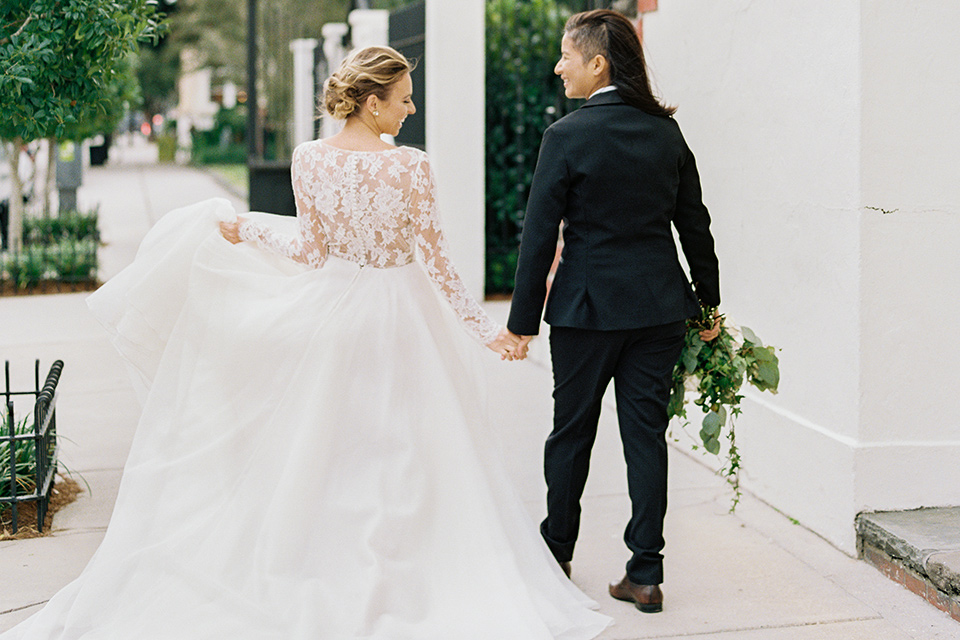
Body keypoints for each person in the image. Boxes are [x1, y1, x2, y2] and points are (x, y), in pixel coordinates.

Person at [1, 47, 610, 639]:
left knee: (333, 454)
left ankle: (328, 565)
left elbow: (311, 252)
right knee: (408, 451)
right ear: (372, 103)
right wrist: (490, 333)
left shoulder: (308, 158)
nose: (411, 109)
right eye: (403, 99)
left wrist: (249, 229)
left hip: (336, 317)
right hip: (403, 319)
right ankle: (405, 573)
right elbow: (439, 263)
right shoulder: (410, 165)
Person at [507, 10, 722, 614]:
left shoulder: (567, 136)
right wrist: (709, 305)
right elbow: (695, 226)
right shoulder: (667, 134)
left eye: (565, 56)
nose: (558, 66)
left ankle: (556, 555)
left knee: (571, 433)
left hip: (584, 310)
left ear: (596, 63)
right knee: (645, 438)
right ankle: (646, 573)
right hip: (657, 310)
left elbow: (539, 234)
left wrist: (522, 322)